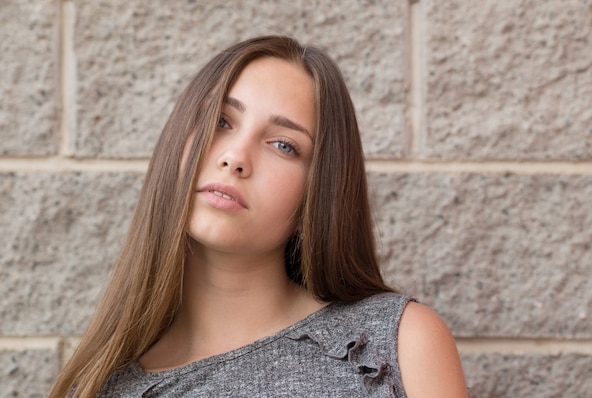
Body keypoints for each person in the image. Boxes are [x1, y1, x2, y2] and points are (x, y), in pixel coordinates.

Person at [50, 35, 468, 397]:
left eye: (284, 145)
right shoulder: (96, 386)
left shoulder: (396, 343)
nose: (235, 158)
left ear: (317, 191)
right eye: (220, 120)